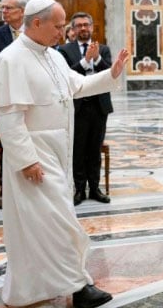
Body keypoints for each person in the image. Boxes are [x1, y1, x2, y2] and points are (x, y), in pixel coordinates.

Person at [0, 0, 127, 308]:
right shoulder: (11, 59)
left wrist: (112, 73)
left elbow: (79, 86)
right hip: (34, 157)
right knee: (57, 222)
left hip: (57, 151)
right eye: (58, 26)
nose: (64, 32)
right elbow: (9, 117)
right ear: (38, 22)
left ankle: (37, 288)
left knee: (49, 223)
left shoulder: (53, 56)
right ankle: (79, 287)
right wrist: (26, 159)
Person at [59, 12, 116, 205]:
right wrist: (85, 61)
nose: (83, 28)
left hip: (99, 106)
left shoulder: (104, 49)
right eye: (79, 25)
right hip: (78, 107)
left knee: (94, 149)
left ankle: (95, 188)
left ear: (92, 27)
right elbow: (65, 76)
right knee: (78, 149)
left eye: (86, 25)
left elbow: (111, 73)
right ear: (73, 29)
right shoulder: (65, 50)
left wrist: (97, 58)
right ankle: (79, 189)